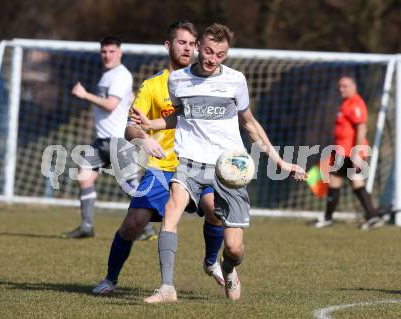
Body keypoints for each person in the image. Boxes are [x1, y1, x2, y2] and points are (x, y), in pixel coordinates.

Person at [132, 23, 307, 303]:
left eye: (221, 54)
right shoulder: (178, 81)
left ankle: (228, 268)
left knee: (235, 248)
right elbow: (180, 114)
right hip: (189, 160)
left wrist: (281, 162)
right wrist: (152, 123)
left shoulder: (235, 80)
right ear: (199, 47)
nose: (213, 59)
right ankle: (167, 288)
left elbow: (249, 124)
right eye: (209, 51)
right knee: (171, 209)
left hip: (229, 167)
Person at [92, 21, 226, 294]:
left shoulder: (209, 83)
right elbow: (131, 127)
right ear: (168, 45)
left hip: (200, 165)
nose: (188, 49)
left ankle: (212, 261)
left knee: (216, 210)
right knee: (134, 223)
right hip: (163, 167)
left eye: (192, 44)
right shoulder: (153, 86)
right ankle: (110, 278)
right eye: (182, 42)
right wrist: (144, 139)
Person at [61, 36, 154, 238]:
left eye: (112, 51)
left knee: (131, 187)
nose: (107, 55)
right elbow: (127, 99)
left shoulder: (120, 75)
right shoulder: (108, 75)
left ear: (119, 53)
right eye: (104, 51)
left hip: (118, 140)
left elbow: (111, 105)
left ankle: (148, 228)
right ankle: (87, 226)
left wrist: (85, 95)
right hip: (102, 140)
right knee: (84, 174)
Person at [314, 75, 385, 230]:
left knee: (355, 183)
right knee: (336, 182)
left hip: (351, 152)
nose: (341, 89)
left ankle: (372, 216)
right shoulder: (345, 103)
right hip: (342, 152)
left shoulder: (356, 104)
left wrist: (356, 153)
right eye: (340, 86)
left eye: (345, 86)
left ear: (354, 86)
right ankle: (329, 217)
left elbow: (361, 128)